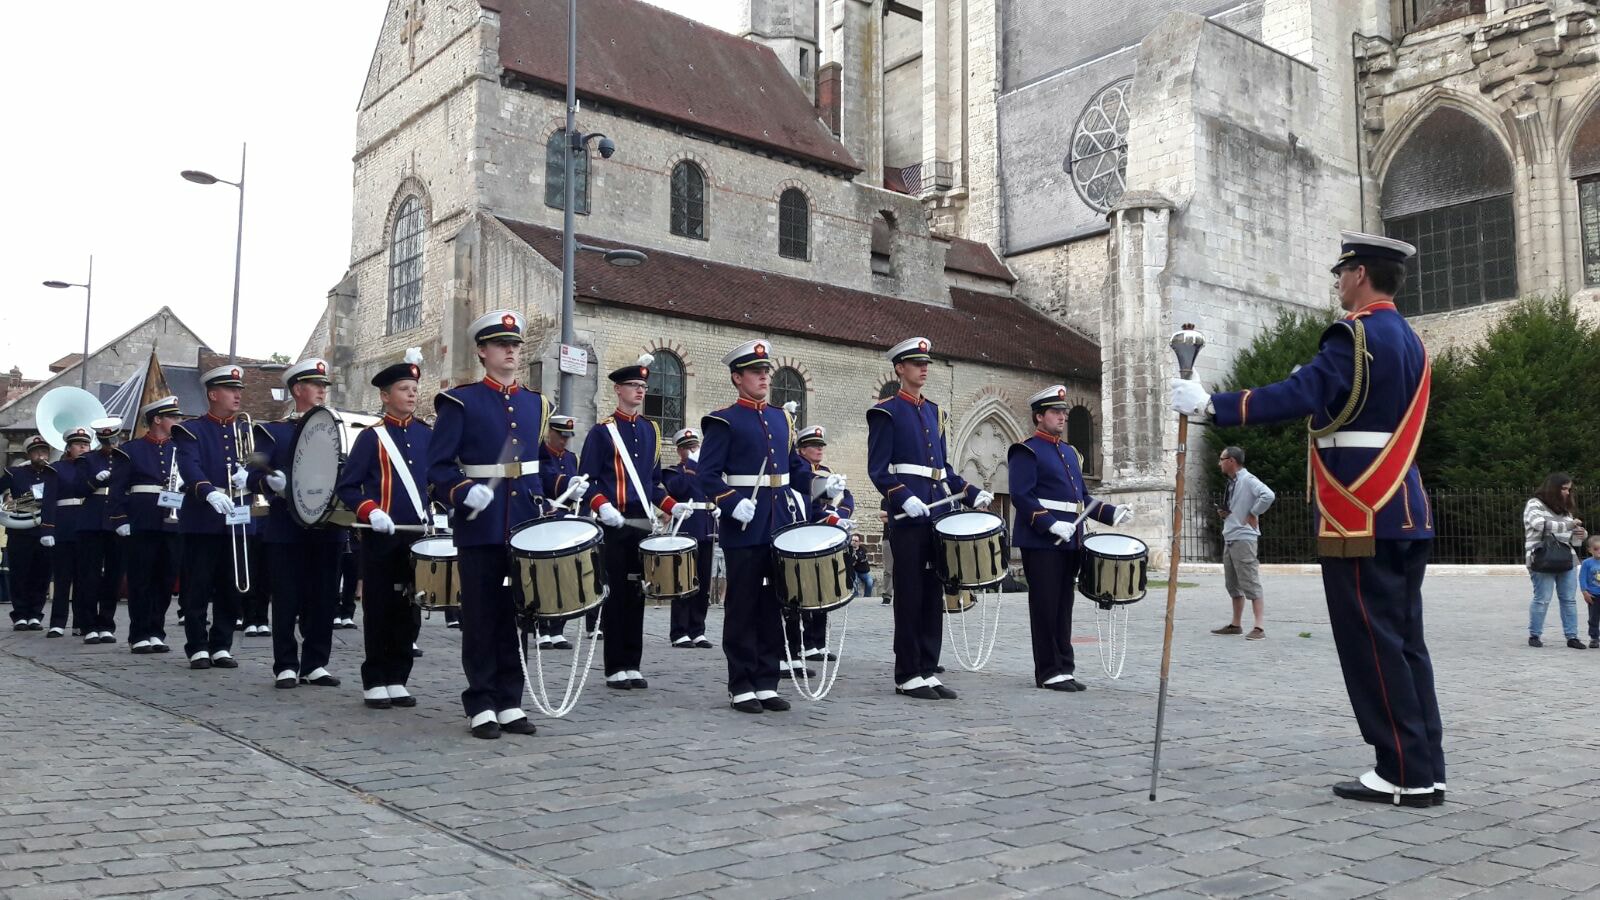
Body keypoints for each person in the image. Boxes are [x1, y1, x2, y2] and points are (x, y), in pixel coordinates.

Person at [1171, 231, 1444, 808]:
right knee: (1405, 644)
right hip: (1404, 508)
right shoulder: (1411, 342)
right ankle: (1424, 764)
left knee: (1371, 644)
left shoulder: (1354, 334)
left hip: (1360, 514)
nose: (1338, 282)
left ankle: (1400, 771)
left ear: (1362, 275)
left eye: (1341, 272)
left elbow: (1301, 392)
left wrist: (1211, 404)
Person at [428, 309, 568, 739]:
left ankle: (510, 699)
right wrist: (460, 491)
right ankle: (481, 701)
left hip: (522, 523)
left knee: (518, 615)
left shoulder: (536, 403)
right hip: (481, 526)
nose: (510, 350)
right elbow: (436, 469)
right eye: (501, 345)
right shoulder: (460, 401)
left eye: (515, 345)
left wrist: (568, 484)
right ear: (482, 352)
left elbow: (540, 466)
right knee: (481, 614)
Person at [866, 337, 993, 701]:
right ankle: (907, 672)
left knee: (932, 592)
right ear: (899, 369)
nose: (924, 368)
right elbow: (878, 469)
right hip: (908, 519)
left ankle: (927, 667)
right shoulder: (886, 412)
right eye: (916, 363)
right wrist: (903, 498)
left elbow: (944, 470)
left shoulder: (935, 412)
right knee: (909, 594)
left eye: (926, 363)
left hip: (937, 514)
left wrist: (971, 491)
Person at [699, 339, 812, 713]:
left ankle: (767, 680)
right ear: (737, 378)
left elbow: (793, 467)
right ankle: (741, 682)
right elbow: (707, 476)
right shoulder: (723, 420)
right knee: (743, 605)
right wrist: (731, 503)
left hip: (778, 523)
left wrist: (819, 483)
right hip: (745, 526)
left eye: (766, 372)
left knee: (772, 605)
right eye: (756, 372)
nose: (764, 377)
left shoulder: (782, 418)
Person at [1008, 385, 1131, 692]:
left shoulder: (1070, 452)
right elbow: (1021, 496)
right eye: (1055, 412)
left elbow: (1083, 499)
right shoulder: (1027, 449)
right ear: (1039, 416)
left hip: (1071, 539)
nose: (1063, 417)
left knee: (1064, 606)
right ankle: (1048, 670)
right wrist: (1049, 524)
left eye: (1063, 412)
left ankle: (1065, 666)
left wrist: (1111, 513)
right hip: (1042, 541)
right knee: (1046, 605)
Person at [579, 354, 688, 690]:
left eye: (643, 386)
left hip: (643, 520)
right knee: (616, 594)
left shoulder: (649, 430)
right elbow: (588, 479)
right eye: (633, 386)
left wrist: (673, 505)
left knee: (638, 592)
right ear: (618, 390)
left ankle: (632, 663)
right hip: (616, 520)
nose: (640, 391)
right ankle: (615, 666)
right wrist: (601, 505)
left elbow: (653, 482)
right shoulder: (602, 433)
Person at [336, 349, 430, 709]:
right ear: (385, 395)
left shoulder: (426, 435)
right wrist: (370, 510)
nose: (411, 394)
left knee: (411, 607)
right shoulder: (372, 438)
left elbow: (435, 480)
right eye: (404, 388)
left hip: (415, 534)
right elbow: (348, 486)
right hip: (380, 536)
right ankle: (375, 678)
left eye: (414, 388)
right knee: (379, 607)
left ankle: (398, 677)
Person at [252, 359, 343, 689]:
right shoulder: (273, 431)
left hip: (328, 526)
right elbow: (252, 471)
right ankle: (286, 664)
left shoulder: (336, 427)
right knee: (287, 597)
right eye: (315, 385)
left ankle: (316, 662)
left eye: (324, 386)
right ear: (297, 390)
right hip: (286, 527)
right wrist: (268, 482)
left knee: (323, 597)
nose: (322, 390)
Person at [173, 364, 256, 671]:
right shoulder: (191, 429)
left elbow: (256, 463)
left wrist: (253, 475)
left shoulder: (246, 429)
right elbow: (189, 466)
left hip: (237, 513)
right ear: (212, 394)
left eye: (239, 391)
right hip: (203, 516)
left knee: (231, 584)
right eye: (231, 391)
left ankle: (221, 644)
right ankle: (197, 645)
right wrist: (208, 491)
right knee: (198, 584)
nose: (237, 395)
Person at [109, 396, 183, 654]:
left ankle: (156, 631)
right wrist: (120, 519)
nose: (178, 421)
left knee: (165, 578)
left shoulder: (180, 448)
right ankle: (138, 633)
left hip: (172, 522)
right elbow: (117, 488)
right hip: (142, 520)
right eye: (173, 417)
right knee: (141, 579)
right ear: (157, 419)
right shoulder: (131, 449)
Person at [787, 424, 853, 665]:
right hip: (805, 532)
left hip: (823, 533)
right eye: (814, 446)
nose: (819, 450)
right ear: (802, 450)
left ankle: (817, 642)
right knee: (802, 592)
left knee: (822, 588)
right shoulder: (800, 473)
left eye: (821, 446)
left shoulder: (825, 472)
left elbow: (846, 495)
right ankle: (802, 645)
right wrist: (832, 516)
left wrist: (842, 515)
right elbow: (809, 507)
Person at [1210, 445, 1275, 641]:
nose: (1219, 463)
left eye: (1222, 459)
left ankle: (1259, 627)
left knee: (1250, 582)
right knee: (1233, 584)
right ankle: (1236, 624)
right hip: (1230, 536)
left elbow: (1269, 495)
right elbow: (1238, 506)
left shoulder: (1248, 479)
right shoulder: (1232, 482)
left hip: (1244, 538)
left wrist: (1254, 513)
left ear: (1231, 461)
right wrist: (1227, 514)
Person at [663, 427, 716, 650]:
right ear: (679, 451)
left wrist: (718, 507)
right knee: (683, 581)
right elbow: (678, 489)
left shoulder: (705, 471)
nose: (692, 450)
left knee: (702, 583)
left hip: (706, 528)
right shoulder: (674, 471)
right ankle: (679, 631)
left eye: (694, 446)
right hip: (687, 530)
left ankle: (697, 629)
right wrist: (691, 466)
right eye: (687, 448)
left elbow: (715, 491)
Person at [1523, 473, 1587, 650]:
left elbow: (1571, 540)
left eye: (1569, 489)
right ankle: (1534, 634)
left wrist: (1580, 535)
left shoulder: (1565, 509)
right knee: (1542, 598)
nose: (1567, 492)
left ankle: (1572, 636)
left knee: (1569, 599)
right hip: (1541, 558)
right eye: (1564, 488)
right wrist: (1569, 525)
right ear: (1554, 488)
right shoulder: (1534, 504)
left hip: (1567, 559)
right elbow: (1539, 524)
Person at [42, 427, 95, 638]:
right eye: (78, 444)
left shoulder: (93, 468)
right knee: (63, 578)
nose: (83, 448)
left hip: (88, 526)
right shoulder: (57, 469)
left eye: (86, 444)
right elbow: (48, 500)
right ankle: (57, 622)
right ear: (68, 447)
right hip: (64, 525)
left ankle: (81, 622)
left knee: (85, 578)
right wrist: (48, 528)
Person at [536, 414, 582, 649]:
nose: (564, 441)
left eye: (568, 436)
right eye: (560, 435)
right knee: (545, 575)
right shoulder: (541, 455)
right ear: (550, 433)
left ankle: (558, 628)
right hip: (547, 518)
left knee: (565, 575)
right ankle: (541, 628)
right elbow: (543, 481)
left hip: (568, 520)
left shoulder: (572, 458)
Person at [3, 435, 55, 630]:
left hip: (45, 531)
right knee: (19, 574)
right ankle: (20, 615)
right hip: (20, 532)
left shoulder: (53, 473)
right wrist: (24, 503)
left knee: (41, 574)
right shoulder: (15, 473)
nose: (41, 455)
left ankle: (35, 614)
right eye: (36, 451)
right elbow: (5, 500)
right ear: (29, 454)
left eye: (44, 451)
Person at [79, 420, 123, 644]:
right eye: (106, 442)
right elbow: (76, 489)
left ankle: (107, 623)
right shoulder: (88, 460)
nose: (111, 446)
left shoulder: (125, 459)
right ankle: (88, 625)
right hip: (92, 522)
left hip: (115, 522)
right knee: (90, 575)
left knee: (113, 575)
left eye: (113, 441)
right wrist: (93, 481)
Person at [1581, 536, 1600, 649]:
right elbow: (1582, 578)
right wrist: (1584, 592)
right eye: (1596, 549)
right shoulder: (1587, 563)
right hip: (1593, 595)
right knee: (1593, 617)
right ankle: (1594, 637)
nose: (1599, 551)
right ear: (1590, 550)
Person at [847, 533, 873, 599]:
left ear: (859, 542)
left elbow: (862, 558)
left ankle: (867, 597)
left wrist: (856, 558)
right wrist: (855, 559)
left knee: (870, 581)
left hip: (863, 572)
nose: (854, 542)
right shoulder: (848, 550)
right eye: (852, 540)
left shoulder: (863, 549)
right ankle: (856, 598)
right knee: (854, 580)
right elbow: (850, 562)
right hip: (854, 571)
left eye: (856, 541)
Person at [877, 509, 893, 605]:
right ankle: (887, 596)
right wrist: (898, 515)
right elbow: (882, 517)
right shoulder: (885, 500)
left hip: (903, 537)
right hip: (887, 538)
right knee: (888, 570)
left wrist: (889, 515)